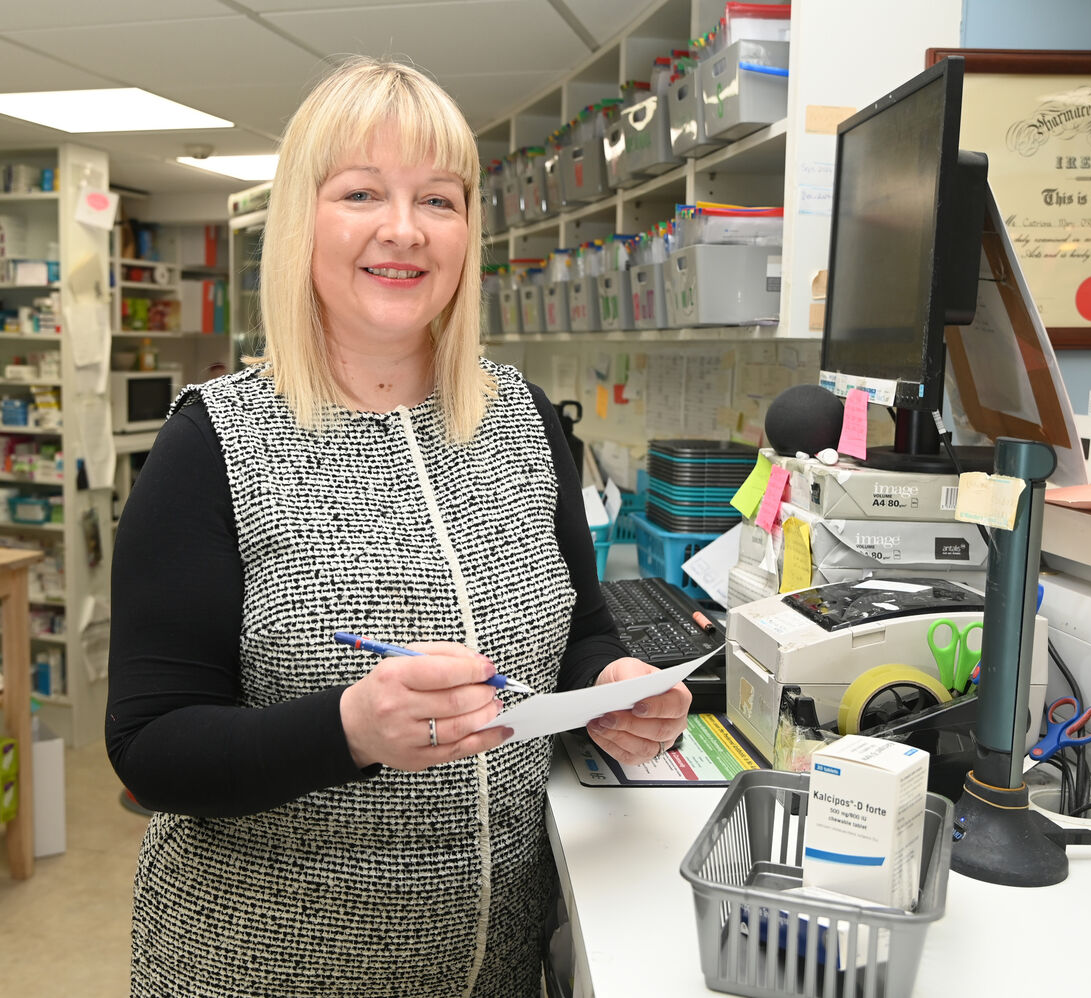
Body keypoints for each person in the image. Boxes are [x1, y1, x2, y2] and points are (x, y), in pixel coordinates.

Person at [106, 56, 690, 998]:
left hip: (495, 967)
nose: (404, 230)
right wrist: (349, 730)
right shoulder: (211, 441)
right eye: (362, 193)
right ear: (304, 221)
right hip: (258, 971)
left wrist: (612, 684)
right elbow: (151, 747)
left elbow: (580, 627)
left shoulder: (525, 420)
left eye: (440, 200)